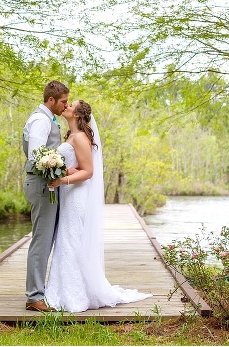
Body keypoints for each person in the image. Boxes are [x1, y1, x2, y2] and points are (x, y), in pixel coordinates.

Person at [44, 99, 152, 312]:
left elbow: (88, 172)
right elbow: (75, 167)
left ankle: (75, 294)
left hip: (76, 196)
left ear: (77, 114)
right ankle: (61, 289)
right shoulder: (71, 136)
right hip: (67, 196)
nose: (66, 106)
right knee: (66, 240)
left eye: (70, 105)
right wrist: (64, 171)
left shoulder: (81, 138)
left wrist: (62, 180)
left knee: (72, 241)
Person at [22, 80, 70, 312]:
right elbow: (36, 156)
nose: (65, 106)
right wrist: (56, 169)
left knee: (45, 239)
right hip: (42, 185)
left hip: (45, 184)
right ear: (51, 100)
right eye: (63, 102)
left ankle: (38, 292)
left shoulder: (46, 119)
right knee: (41, 241)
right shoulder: (41, 120)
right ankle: (34, 297)